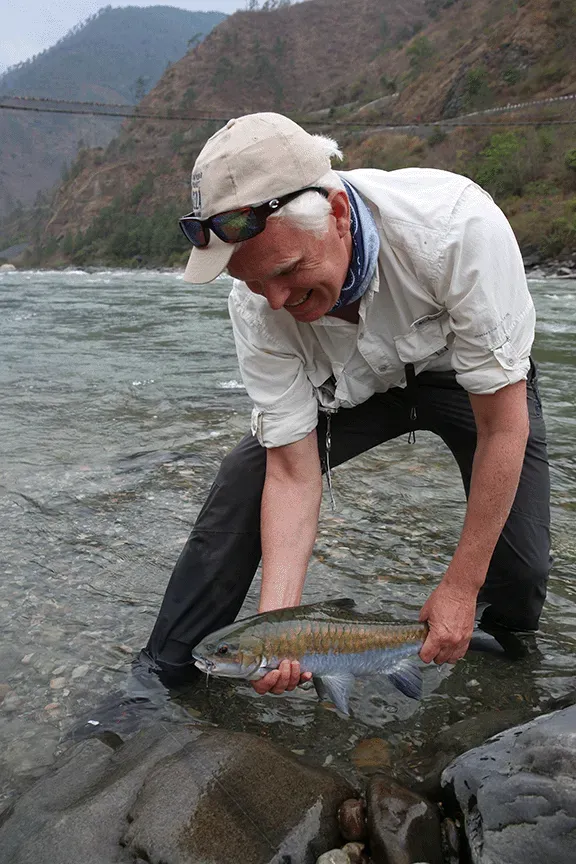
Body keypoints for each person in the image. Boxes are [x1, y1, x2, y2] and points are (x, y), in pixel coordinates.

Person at [137, 112, 550, 698]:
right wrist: (277, 631)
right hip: (355, 387)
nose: (276, 301)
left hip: (471, 382)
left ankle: (504, 674)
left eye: (287, 272)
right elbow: (291, 470)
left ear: (336, 216)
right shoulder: (258, 303)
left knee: (522, 566)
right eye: (255, 283)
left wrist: (460, 585)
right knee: (245, 476)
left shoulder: (457, 228)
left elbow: (503, 428)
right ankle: (164, 678)